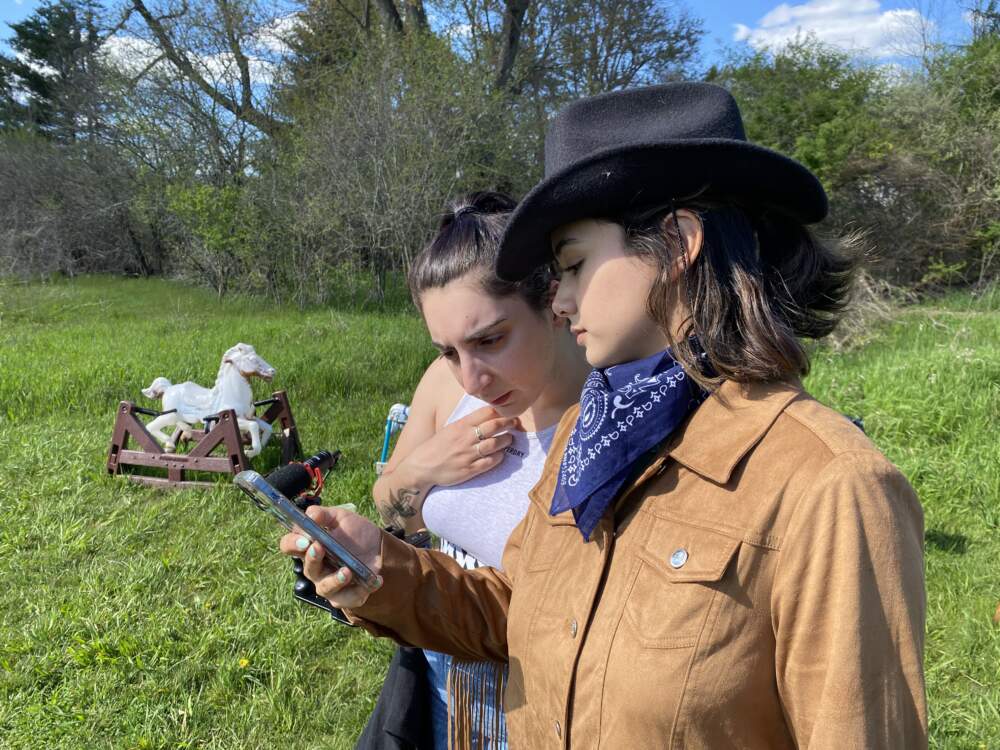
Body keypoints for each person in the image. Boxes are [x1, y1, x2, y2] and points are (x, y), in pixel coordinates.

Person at [281, 82, 927, 748]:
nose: (557, 301)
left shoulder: (830, 488)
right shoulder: (592, 435)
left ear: (676, 244)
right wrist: (381, 569)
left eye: (573, 265)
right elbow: (519, 611)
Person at [364, 190, 589, 748]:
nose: (472, 379)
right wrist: (423, 469)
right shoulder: (445, 388)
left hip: (549, 715)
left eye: (490, 340)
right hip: (442, 695)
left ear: (555, 301)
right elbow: (393, 504)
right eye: (448, 350)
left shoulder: (606, 419)